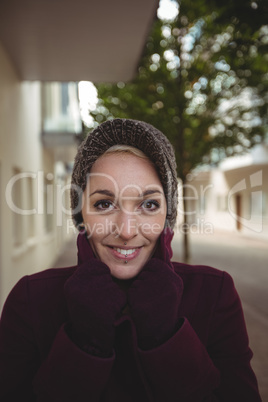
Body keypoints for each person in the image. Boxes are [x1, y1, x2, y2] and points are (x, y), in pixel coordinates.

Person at [0, 118, 261, 402]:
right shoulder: (29, 300)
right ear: (81, 214)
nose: (126, 230)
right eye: (104, 204)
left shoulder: (215, 293)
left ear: (168, 213)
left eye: (148, 205)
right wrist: (83, 345)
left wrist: (168, 337)